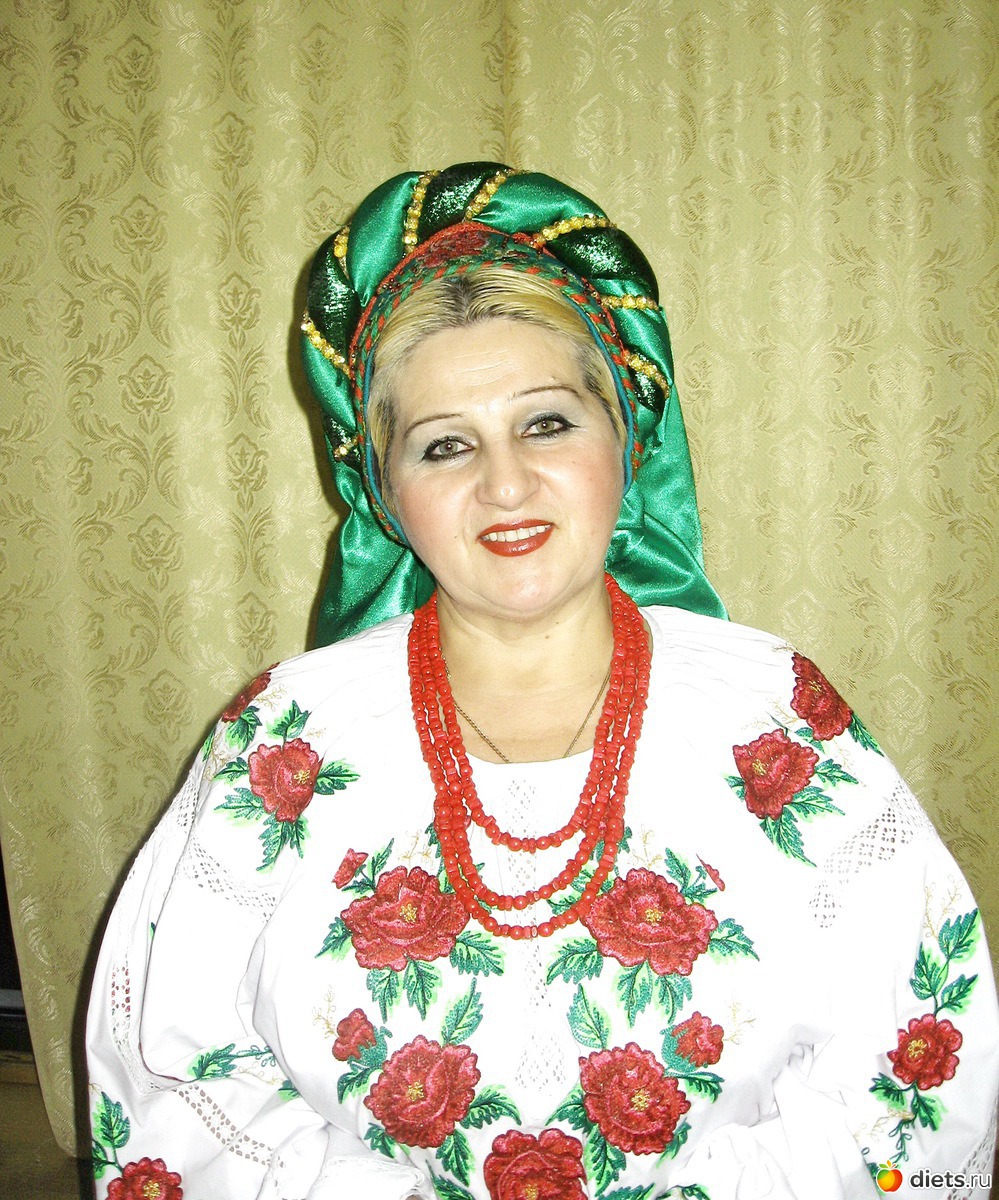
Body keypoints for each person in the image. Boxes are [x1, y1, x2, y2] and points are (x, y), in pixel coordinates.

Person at [87, 163, 998, 1200]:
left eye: (548, 423)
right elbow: (173, 1072)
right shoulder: (284, 739)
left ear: (628, 438)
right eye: (444, 446)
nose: (506, 483)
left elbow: (916, 1055)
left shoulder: (777, 719)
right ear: (383, 490)